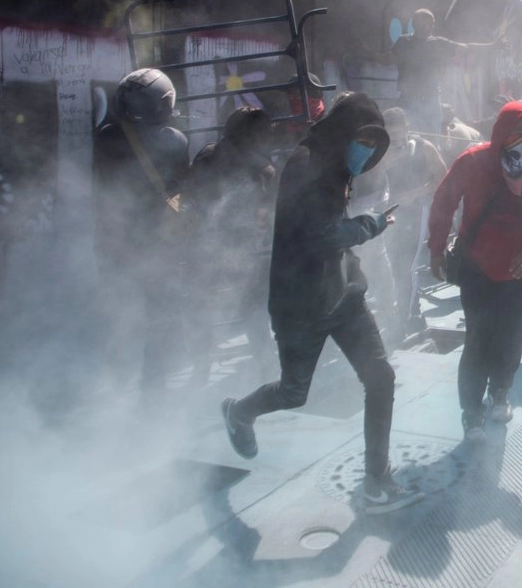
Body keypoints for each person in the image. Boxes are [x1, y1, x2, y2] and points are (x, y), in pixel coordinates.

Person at [220, 92, 423, 515]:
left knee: (380, 377)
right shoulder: (306, 164)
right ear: (341, 131)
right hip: (300, 300)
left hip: (343, 292)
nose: (366, 149)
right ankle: (240, 412)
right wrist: (372, 224)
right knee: (294, 392)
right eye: (361, 139)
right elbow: (322, 234)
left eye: (374, 142)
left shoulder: (335, 167)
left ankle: (376, 481)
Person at [428, 100, 522, 439]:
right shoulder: (474, 161)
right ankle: (471, 411)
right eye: (517, 133)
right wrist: (435, 249)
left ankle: (501, 391)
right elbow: (443, 201)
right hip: (478, 268)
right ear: (500, 131)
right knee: (478, 340)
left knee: (512, 339)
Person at [93, 68, 190, 393]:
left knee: (118, 314)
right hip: (157, 244)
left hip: (113, 242)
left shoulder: (105, 137)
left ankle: (115, 379)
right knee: (158, 316)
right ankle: (153, 383)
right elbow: (179, 190)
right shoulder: (175, 141)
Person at [183, 107, 277, 382]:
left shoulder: (206, 155)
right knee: (252, 308)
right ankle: (265, 366)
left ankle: (201, 370)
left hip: (204, 245)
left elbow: (191, 194)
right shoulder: (263, 168)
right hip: (243, 248)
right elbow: (267, 209)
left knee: (201, 308)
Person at [367, 9, 497, 137]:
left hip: (432, 100)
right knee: (408, 136)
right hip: (408, 100)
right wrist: (366, 52)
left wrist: (492, 46)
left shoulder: (438, 43)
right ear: (415, 23)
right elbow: (387, 60)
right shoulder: (403, 42)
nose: (428, 27)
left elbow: (466, 48)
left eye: (431, 24)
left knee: (434, 137)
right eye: (425, 23)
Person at [381, 108, 447, 338]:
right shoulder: (382, 151)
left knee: (407, 264)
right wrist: (382, 165)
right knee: (392, 265)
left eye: (398, 134)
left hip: (418, 210)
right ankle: (405, 312)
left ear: (407, 129)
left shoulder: (423, 147)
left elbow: (443, 176)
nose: (396, 140)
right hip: (390, 213)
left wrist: (417, 192)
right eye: (390, 135)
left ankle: (410, 316)